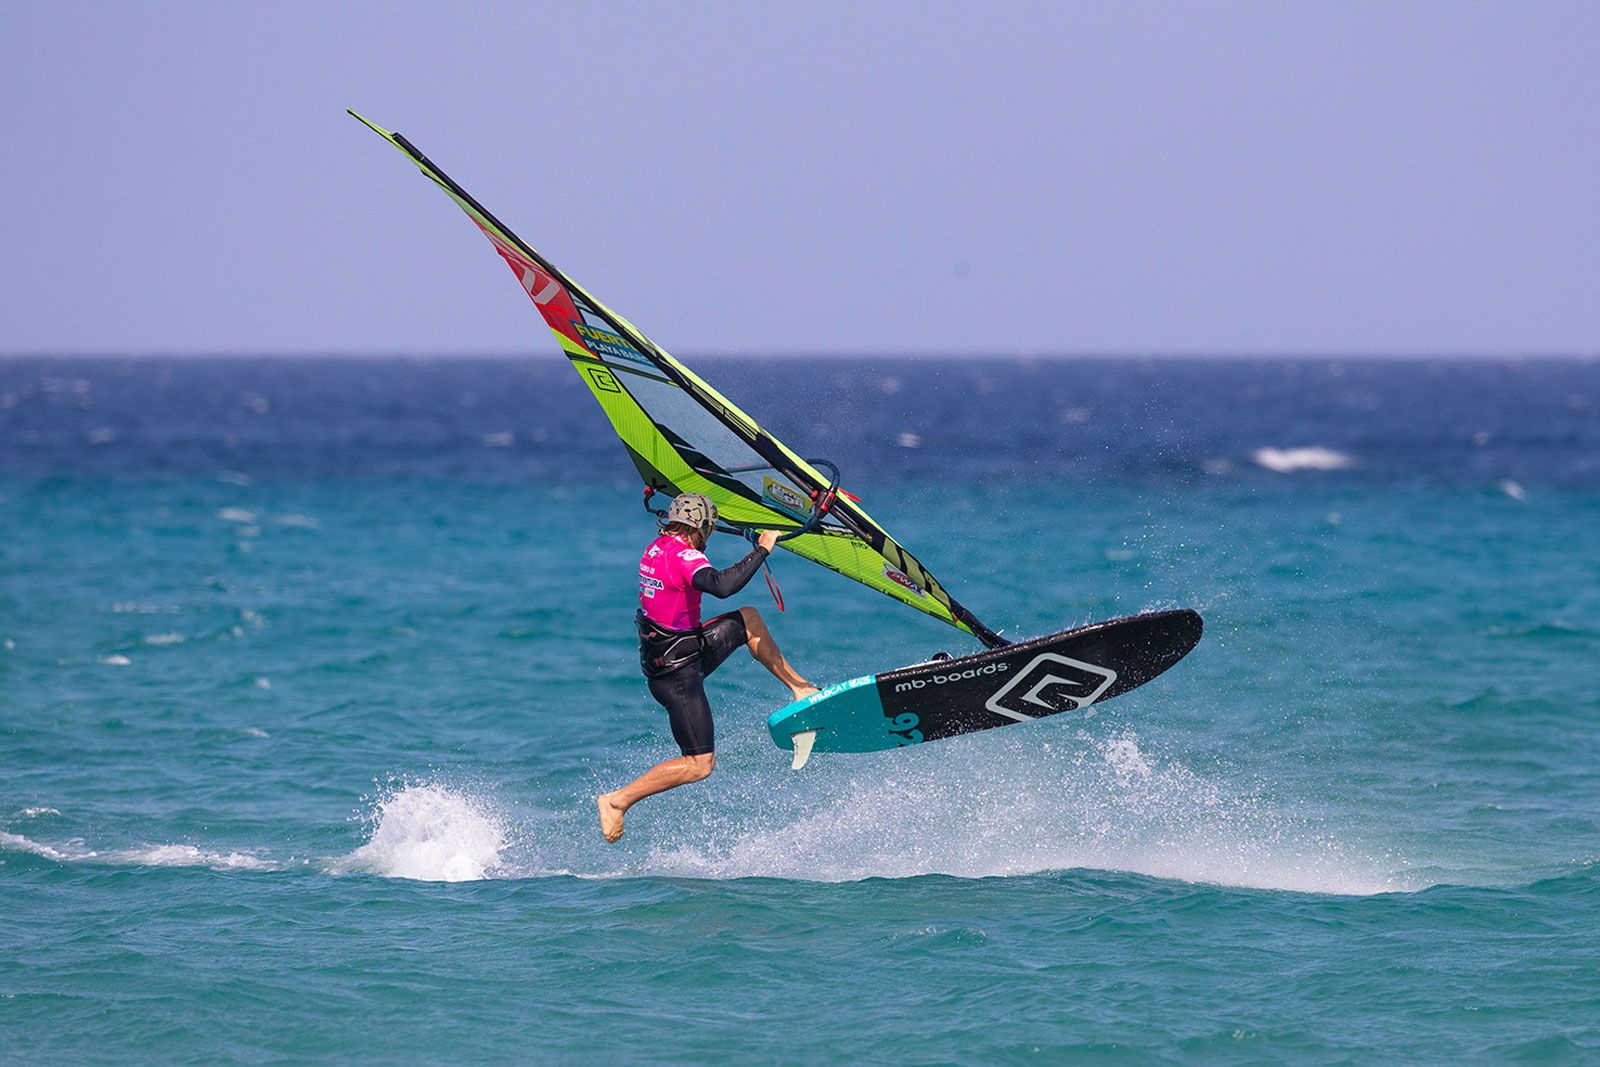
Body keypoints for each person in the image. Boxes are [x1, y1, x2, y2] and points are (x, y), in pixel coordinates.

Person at [597, 492, 818, 842]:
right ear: (701, 528)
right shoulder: (684, 557)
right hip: (678, 674)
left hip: (677, 654)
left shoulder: (656, 549)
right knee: (699, 765)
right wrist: (762, 549)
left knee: (748, 620)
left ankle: (801, 688)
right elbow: (722, 585)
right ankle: (617, 801)